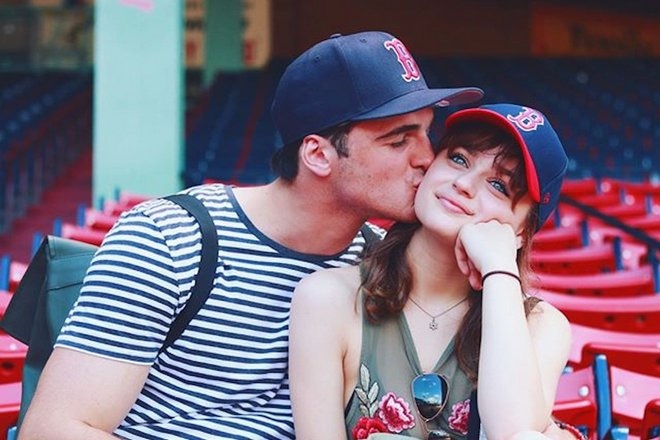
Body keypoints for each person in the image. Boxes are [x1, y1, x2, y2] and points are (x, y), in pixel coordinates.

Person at [18, 31, 483, 439]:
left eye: (427, 134)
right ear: (318, 155)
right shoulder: (171, 238)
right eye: (398, 140)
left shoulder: (378, 263)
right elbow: (54, 430)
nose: (427, 158)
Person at [289, 103, 577, 440]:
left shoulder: (541, 324)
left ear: (522, 231)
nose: (464, 183)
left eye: (498, 185)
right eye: (458, 159)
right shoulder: (328, 298)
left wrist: (499, 269)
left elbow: (513, 431)